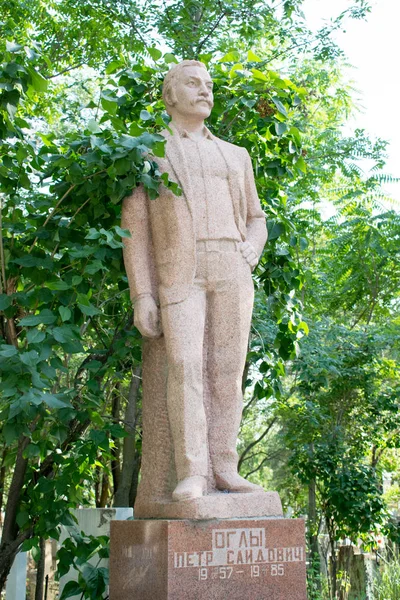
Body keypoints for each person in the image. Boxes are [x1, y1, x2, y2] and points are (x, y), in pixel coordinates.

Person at [122, 60, 268, 502]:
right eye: (193, 83)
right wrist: (141, 294)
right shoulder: (149, 153)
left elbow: (256, 218)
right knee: (185, 366)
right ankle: (193, 471)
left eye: (208, 84)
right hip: (179, 272)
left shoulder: (235, 155)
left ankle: (224, 465)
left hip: (230, 265)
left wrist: (254, 247)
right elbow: (136, 229)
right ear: (170, 95)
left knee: (227, 370)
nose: (204, 91)